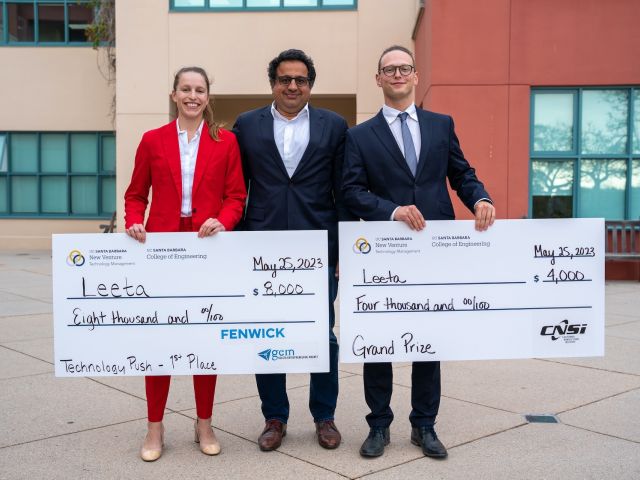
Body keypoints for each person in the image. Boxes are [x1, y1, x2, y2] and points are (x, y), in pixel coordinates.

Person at [342, 45, 496, 459]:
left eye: (404, 68)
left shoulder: (441, 125)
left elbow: (461, 174)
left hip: (435, 251)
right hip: (385, 252)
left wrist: (480, 199)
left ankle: (424, 426)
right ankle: (379, 426)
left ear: (414, 75)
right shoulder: (357, 136)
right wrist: (391, 211)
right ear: (378, 79)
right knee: (380, 342)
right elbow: (351, 192)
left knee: (429, 341)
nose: (397, 74)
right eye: (388, 69)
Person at [233, 49, 353, 451]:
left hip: (317, 248)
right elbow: (236, 188)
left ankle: (325, 416)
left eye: (300, 80)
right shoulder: (246, 126)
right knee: (267, 334)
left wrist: (340, 252)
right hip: (261, 248)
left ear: (310, 85)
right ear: (273, 83)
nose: (292, 86)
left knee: (324, 336)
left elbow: (343, 192)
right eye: (285, 79)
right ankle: (274, 417)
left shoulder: (334, 126)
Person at [124, 66, 247, 461]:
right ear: (174, 94)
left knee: (203, 338)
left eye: (200, 90)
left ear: (208, 97)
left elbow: (236, 196)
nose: (193, 96)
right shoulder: (152, 140)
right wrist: (132, 222)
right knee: (160, 339)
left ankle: (204, 422)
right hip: (160, 245)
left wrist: (223, 220)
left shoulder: (226, 141)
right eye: (185, 89)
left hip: (205, 246)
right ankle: (155, 427)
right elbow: (135, 194)